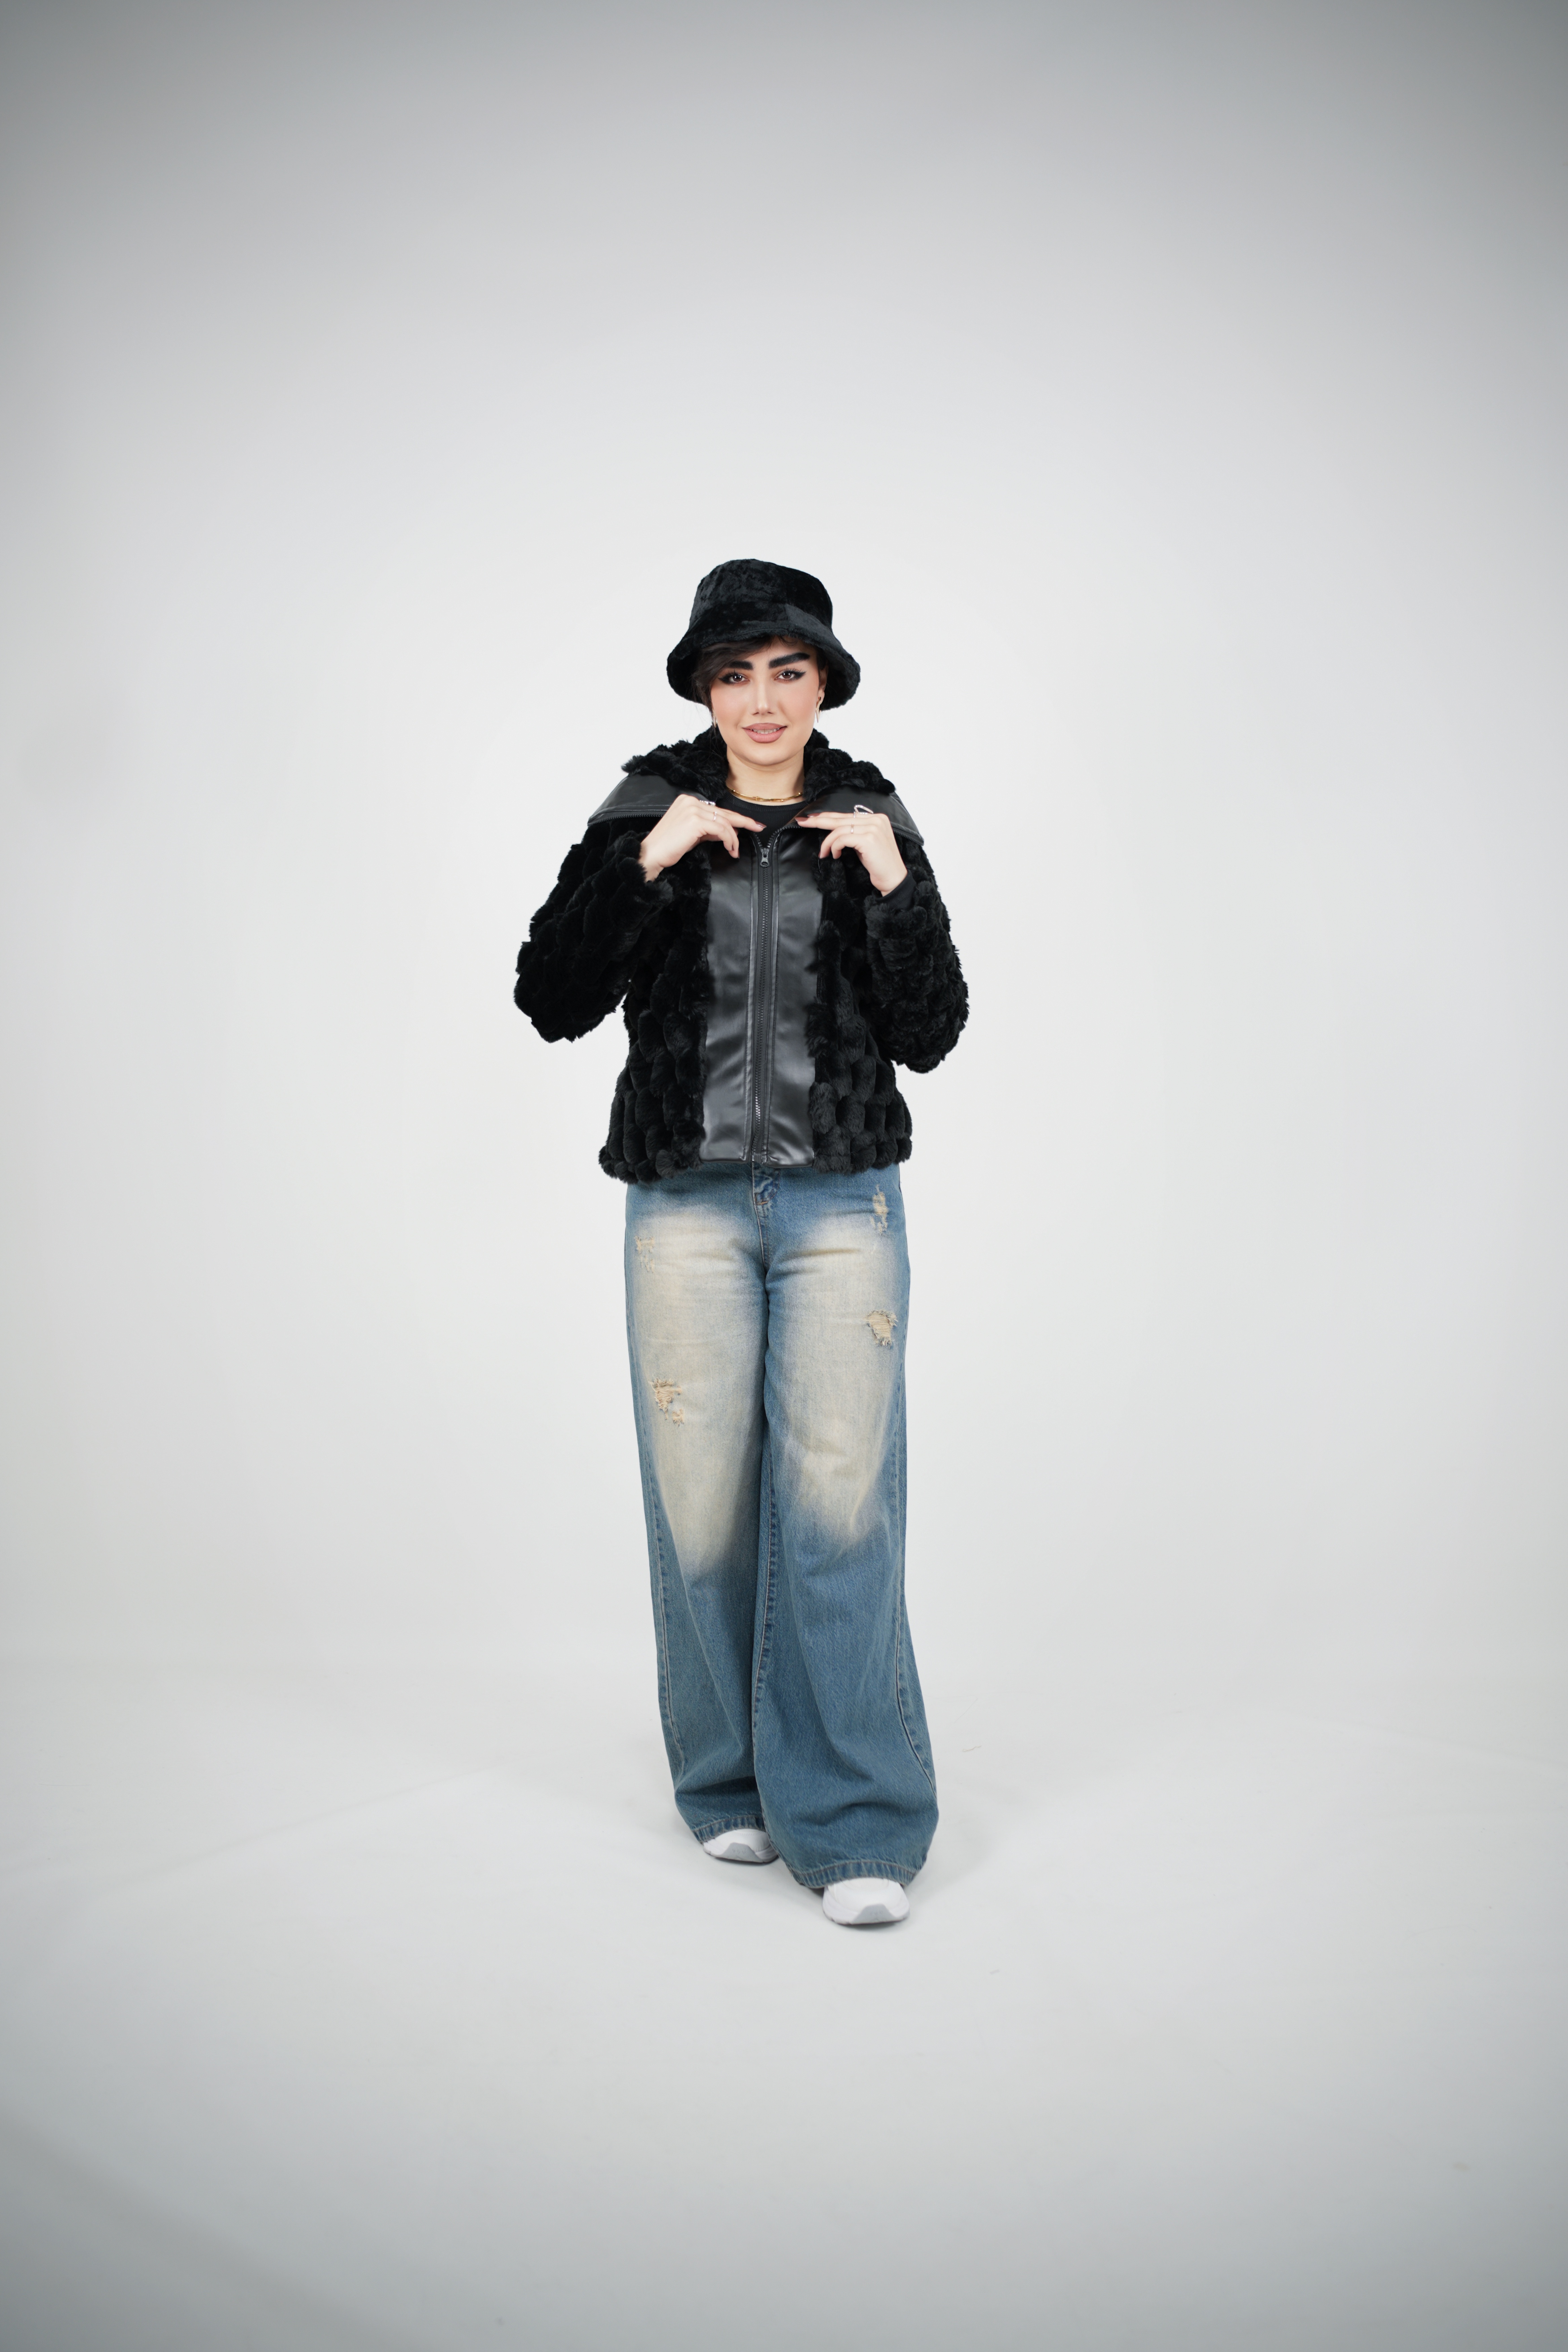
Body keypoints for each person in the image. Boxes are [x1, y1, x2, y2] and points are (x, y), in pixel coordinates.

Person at [513, 558, 968, 1926]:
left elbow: (932, 1031)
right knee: (702, 1502)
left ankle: (858, 1819)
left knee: (838, 1508)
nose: (762, 701)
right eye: (734, 674)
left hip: (841, 1206)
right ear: (704, 689)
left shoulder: (872, 812)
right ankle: (727, 1780)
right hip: (685, 1202)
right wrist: (646, 865)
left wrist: (893, 885)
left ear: (822, 681)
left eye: (787, 671)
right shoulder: (643, 806)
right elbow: (550, 994)